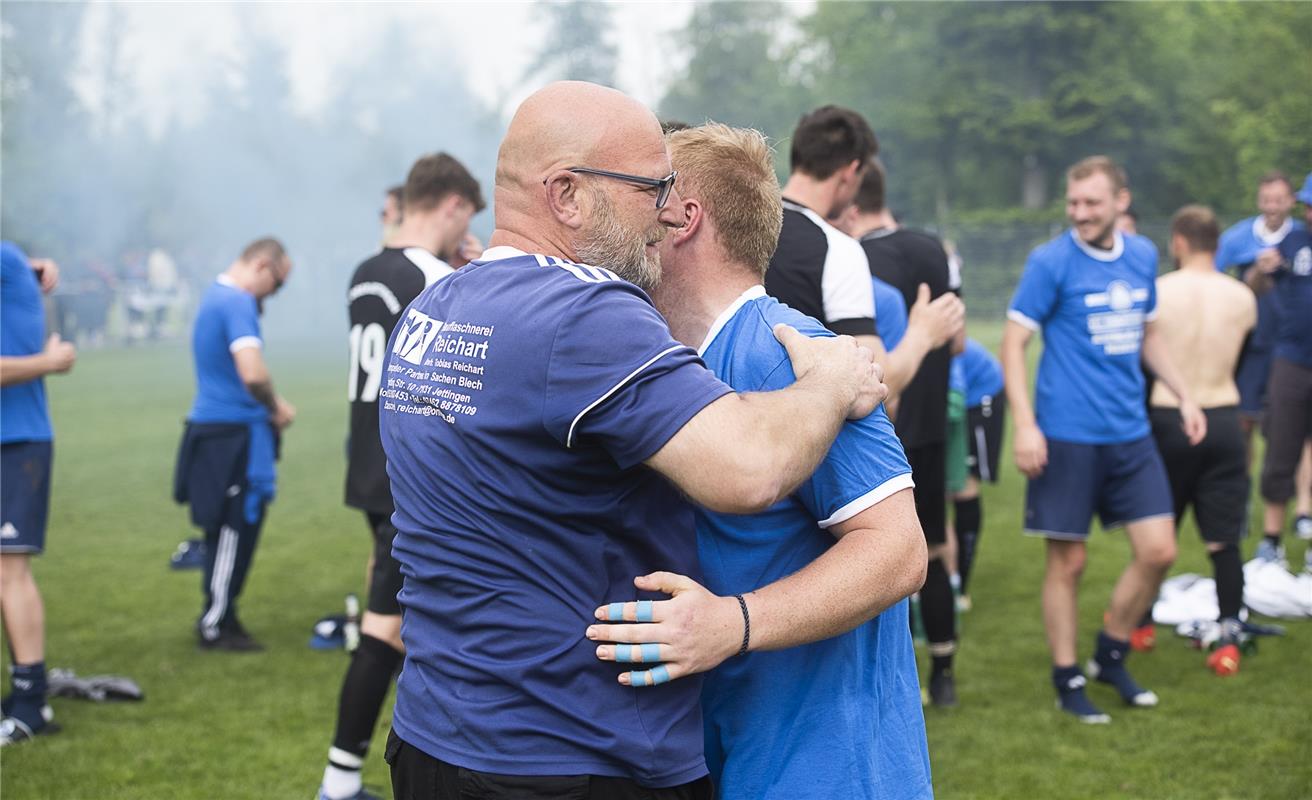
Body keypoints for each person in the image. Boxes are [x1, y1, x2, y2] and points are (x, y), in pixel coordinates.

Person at [378, 81, 885, 800]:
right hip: (571, 752)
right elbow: (749, 470)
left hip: (434, 736)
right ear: (567, 194)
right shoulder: (580, 312)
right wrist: (832, 381)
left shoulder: (432, 309)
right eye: (652, 186)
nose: (667, 210)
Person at [592, 122, 930, 799]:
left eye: (645, 197)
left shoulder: (791, 352)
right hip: (732, 752)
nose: (623, 222)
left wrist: (733, 622)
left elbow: (899, 551)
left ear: (683, 219)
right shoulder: (670, 362)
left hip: (829, 770)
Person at [1002, 156, 1206, 723]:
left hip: (1130, 432)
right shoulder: (1050, 262)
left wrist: (1184, 393)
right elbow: (1014, 343)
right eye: (1073, 203)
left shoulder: (1141, 256)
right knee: (1068, 565)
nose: (1080, 213)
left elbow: (1149, 334)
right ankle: (1068, 677)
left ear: (1121, 200)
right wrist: (1026, 424)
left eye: (1092, 202)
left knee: (1160, 550)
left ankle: (1110, 652)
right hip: (1066, 436)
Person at [317, 155, 485, 800]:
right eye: (467, 215)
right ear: (451, 204)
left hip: (365, 459)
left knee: (405, 620)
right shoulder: (432, 276)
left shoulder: (368, 270)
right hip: (410, 475)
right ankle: (338, 782)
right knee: (390, 629)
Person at [842, 157, 967, 706]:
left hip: (877, 429)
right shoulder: (933, 250)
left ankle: (893, 679)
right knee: (934, 549)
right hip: (932, 423)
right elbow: (957, 341)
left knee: (873, 555)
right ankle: (944, 672)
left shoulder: (848, 260)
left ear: (849, 202)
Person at [764, 107, 963, 398]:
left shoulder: (747, 227)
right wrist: (923, 334)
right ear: (851, 172)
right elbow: (872, 385)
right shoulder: (838, 250)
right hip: (814, 429)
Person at [1147, 205, 1256, 675]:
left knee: (1156, 532)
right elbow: (1245, 358)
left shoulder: (1159, 291)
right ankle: (1230, 631)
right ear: (1217, 243)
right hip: (1224, 416)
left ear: (1179, 241)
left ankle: (1139, 625)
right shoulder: (1243, 297)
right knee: (1223, 539)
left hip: (1169, 416)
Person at [173, 238, 294, 651]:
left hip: (217, 430)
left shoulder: (214, 295)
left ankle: (222, 613)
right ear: (263, 265)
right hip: (231, 434)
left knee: (224, 531)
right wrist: (276, 407)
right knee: (231, 530)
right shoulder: (237, 302)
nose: (274, 295)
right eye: (277, 285)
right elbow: (253, 374)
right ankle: (216, 621)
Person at [0, 242, 76, 746]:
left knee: (11, 568)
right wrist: (39, 264)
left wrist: (48, 363)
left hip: (16, 441)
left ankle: (31, 701)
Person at [1247, 171, 1312, 572]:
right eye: (1307, 204)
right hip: (1291, 360)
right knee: (1280, 448)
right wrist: (1261, 267)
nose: (1308, 212)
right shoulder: (1293, 241)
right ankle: (1271, 541)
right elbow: (1256, 286)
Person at [1216, 171, 1304, 456]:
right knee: (1244, 418)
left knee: (1291, 421)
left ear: (1291, 201)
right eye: (1266, 200)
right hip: (1252, 343)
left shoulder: (1302, 237)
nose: (1272, 207)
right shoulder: (1237, 238)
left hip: (1292, 345)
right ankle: (1242, 486)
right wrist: (1254, 272)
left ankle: (1289, 487)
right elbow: (1214, 278)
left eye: (1278, 200)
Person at [953, 337, 1006, 610]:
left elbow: (955, 393)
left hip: (980, 398)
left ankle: (961, 585)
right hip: (957, 399)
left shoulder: (948, 350)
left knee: (964, 486)